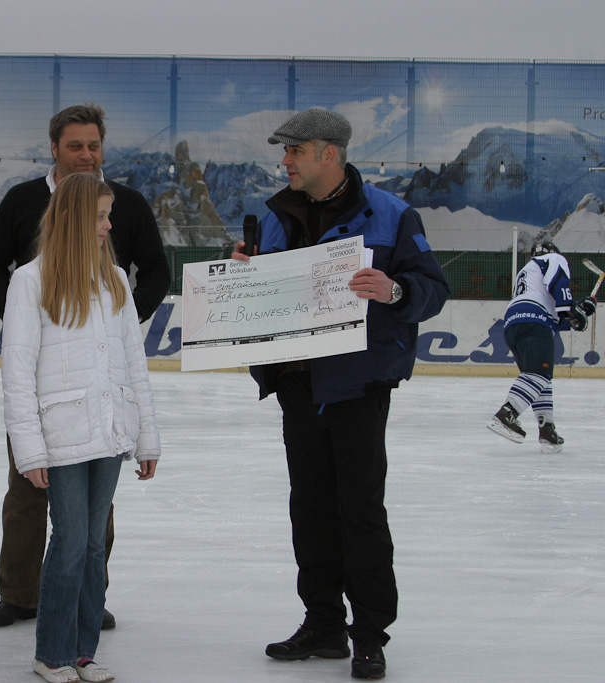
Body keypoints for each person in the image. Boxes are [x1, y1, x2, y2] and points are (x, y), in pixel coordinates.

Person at [232, 108, 450, 680]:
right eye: (285, 152)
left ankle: (370, 633)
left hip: (358, 386)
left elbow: (433, 288)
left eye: (294, 151)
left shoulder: (393, 215)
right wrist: (245, 276)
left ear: (327, 153)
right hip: (296, 385)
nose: (285, 161)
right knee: (310, 510)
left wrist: (395, 289)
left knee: (360, 510)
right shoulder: (274, 217)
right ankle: (324, 623)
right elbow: (266, 292)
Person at [0, 103, 170, 630]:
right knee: (26, 490)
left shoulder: (125, 203)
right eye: (75, 145)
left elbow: (156, 268)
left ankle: (89, 595)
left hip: (99, 379)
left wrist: (123, 315)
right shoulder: (22, 200)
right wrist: (22, 319)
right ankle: (19, 594)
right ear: (54, 148)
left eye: (94, 145)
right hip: (42, 379)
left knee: (94, 502)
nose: (86, 155)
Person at [1, 173, 161, 683]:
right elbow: (17, 371)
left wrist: (146, 437)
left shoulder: (114, 279)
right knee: (70, 541)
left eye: (108, 215)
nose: (108, 225)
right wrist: (29, 450)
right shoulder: (31, 281)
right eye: (100, 216)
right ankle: (52, 653)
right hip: (62, 436)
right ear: (69, 217)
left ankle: (84, 651)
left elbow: (134, 363)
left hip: (109, 432)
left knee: (93, 544)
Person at [487, 241, 596, 452]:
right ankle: (507, 414)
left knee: (538, 378)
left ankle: (547, 430)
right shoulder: (554, 259)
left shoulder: (527, 271)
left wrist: (580, 310)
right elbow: (560, 293)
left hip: (514, 325)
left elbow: (556, 315)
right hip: (534, 322)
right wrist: (574, 312)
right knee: (539, 374)